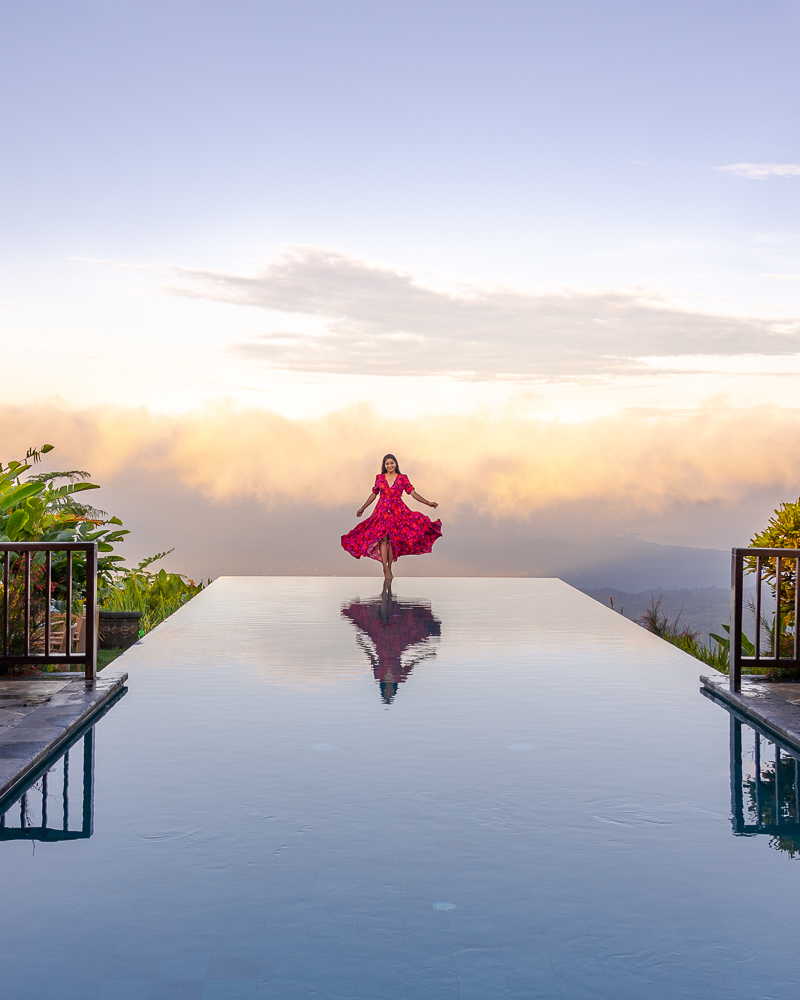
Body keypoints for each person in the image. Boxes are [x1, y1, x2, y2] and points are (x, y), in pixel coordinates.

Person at [341, 454, 442, 585]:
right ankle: (385, 568)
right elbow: (373, 494)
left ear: (396, 464)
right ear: (384, 465)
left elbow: (412, 493)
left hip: (398, 511)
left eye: (392, 463)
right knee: (383, 539)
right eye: (387, 464)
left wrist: (428, 503)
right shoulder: (379, 478)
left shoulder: (402, 478)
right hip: (381, 511)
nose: (390, 466)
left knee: (393, 539)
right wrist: (362, 508)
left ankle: (389, 567)